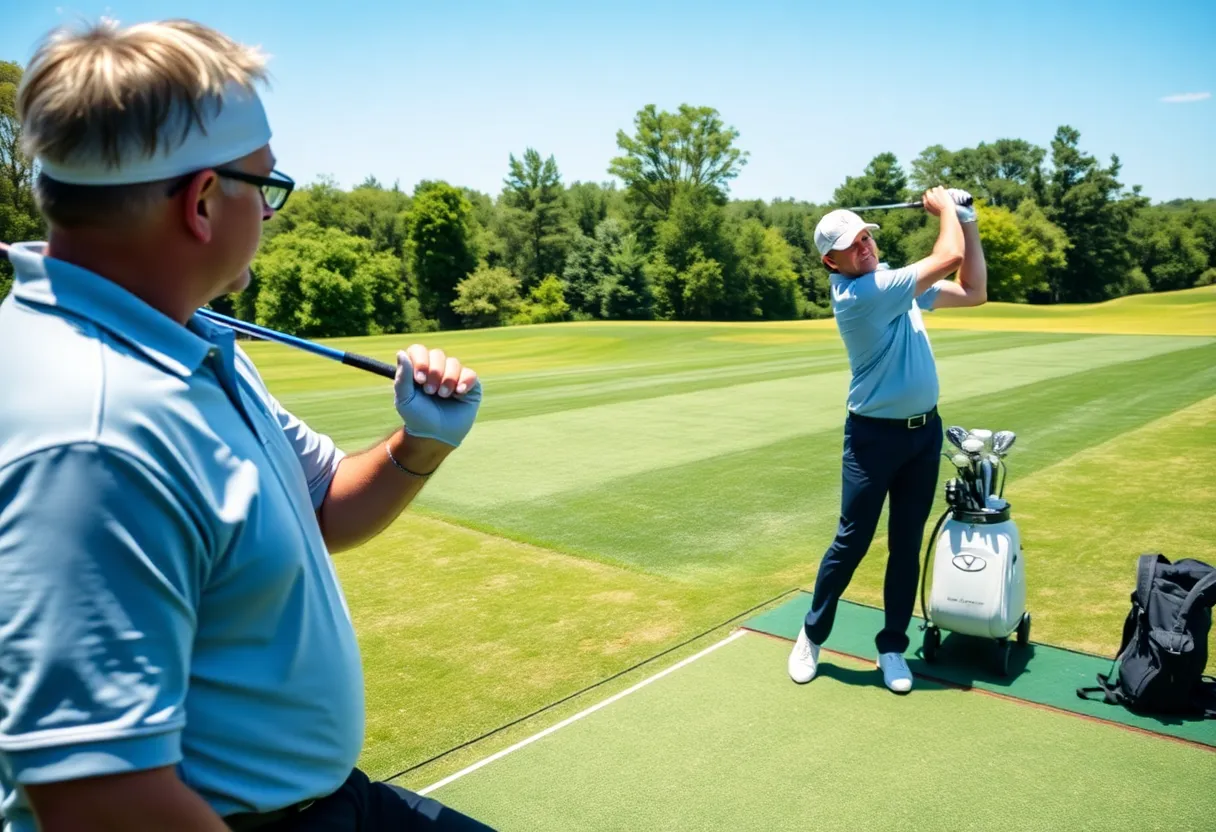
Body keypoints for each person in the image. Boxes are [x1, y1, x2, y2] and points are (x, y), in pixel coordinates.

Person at [0, 18, 496, 832]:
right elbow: (98, 799)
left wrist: (421, 443)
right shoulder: (92, 431)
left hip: (332, 805)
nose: (270, 213)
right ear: (201, 200)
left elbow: (326, 500)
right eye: (264, 186)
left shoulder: (189, 343)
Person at [787, 186, 988, 694]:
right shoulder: (863, 295)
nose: (865, 246)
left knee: (905, 544)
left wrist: (968, 218)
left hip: (923, 436)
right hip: (873, 440)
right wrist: (945, 209)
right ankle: (812, 635)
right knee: (851, 540)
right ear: (831, 262)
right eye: (851, 245)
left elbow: (973, 289)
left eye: (865, 237)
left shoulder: (884, 279)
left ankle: (892, 647)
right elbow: (948, 257)